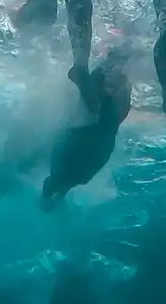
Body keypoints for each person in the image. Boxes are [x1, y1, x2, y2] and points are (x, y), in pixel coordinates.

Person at [41, 45, 133, 209]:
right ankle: (49, 201)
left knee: (66, 178)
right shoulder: (67, 174)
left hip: (93, 135)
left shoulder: (72, 176)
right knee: (67, 178)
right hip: (94, 136)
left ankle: (48, 202)